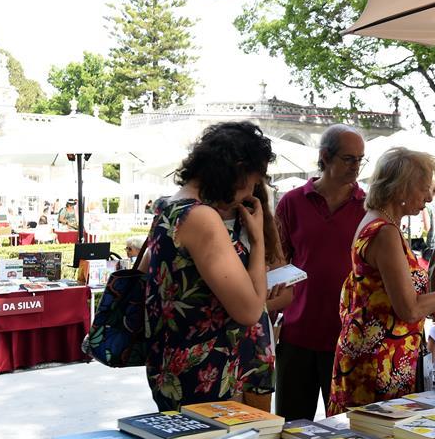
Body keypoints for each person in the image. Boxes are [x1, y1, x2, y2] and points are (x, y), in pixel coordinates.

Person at [328, 148, 435, 414]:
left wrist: (434, 306)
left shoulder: (381, 223)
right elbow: (409, 308)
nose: (428, 197)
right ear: (401, 188)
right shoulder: (385, 232)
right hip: (380, 359)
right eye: (424, 188)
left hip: (380, 352)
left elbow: (387, 296)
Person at [141, 121, 285, 411]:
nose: (251, 192)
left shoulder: (168, 206)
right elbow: (249, 311)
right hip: (211, 374)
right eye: (252, 181)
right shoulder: (202, 217)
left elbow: (148, 274)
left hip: (173, 365)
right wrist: (257, 242)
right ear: (238, 170)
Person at [274, 124, 368, 420]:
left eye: (360, 159)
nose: (356, 167)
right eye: (349, 159)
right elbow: (277, 260)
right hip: (297, 332)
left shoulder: (369, 206)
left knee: (345, 430)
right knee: (290, 426)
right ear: (325, 157)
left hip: (349, 335)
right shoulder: (292, 202)